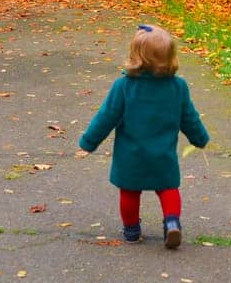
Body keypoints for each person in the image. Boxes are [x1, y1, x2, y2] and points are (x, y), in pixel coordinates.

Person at [77, 23, 210, 248]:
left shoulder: (124, 86)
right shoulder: (178, 87)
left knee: (129, 191)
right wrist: (199, 138)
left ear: (135, 56)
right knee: (168, 189)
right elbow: (189, 117)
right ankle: (171, 223)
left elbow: (106, 117)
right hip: (163, 155)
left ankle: (131, 231)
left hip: (131, 155)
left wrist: (88, 142)